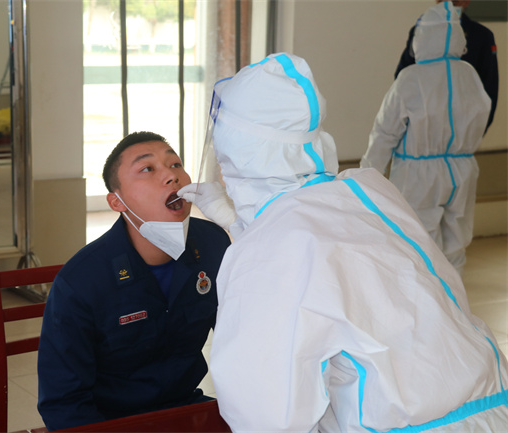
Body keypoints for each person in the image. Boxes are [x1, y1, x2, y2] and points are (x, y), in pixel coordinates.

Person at [179, 52, 508, 432]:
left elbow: (266, 415)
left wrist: (244, 233)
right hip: (491, 405)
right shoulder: (368, 191)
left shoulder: (266, 254)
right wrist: (237, 221)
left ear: (238, 153)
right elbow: (315, 252)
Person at [37, 131, 231, 431]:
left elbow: (248, 337)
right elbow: (63, 403)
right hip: (108, 421)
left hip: (184, 408)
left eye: (176, 164)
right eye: (147, 169)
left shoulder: (212, 243)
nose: (172, 176)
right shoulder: (82, 280)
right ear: (117, 202)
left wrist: (240, 224)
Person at [361, 1, 491, 275]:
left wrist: (368, 175)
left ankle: (425, 299)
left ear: (423, 37)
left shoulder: (411, 78)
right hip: (462, 171)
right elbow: (482, 113)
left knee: (419, 243)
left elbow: (385, 132)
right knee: (456, 246)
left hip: (418, 175)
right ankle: (453, 298)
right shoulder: (470, 75)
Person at [395, 0, 498, 130]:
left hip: (462, 125)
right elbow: (402, 77)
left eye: (455, 1)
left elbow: (489, 87)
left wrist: (477, 130)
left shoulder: (481, 36)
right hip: (422, 124)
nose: (448, 3)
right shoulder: (420, 32)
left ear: (466, 1)